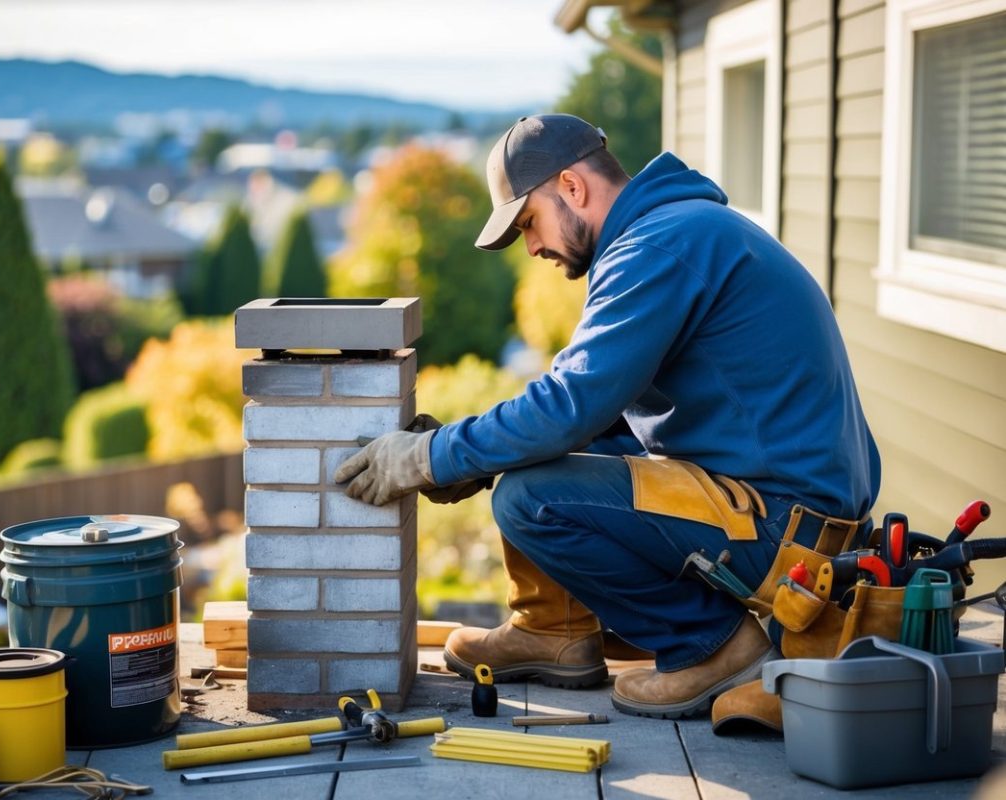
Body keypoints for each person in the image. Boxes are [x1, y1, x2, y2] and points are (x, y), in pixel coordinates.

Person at [333, 113, 880, 719]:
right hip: (785, 510)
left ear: (571, 186)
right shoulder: (677, 231)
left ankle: (714, 646)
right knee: (542, 458)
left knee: (529, 497)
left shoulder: (658, 246)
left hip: (786, 532)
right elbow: (595, 417)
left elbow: (570, 406)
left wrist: (427, 457)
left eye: (528, 223)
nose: (533, 246)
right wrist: (474, 455)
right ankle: (552, 632)